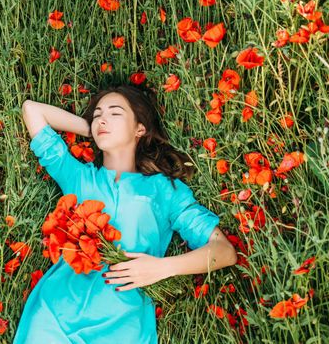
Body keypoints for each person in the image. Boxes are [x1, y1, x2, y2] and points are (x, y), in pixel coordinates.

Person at [13, 84, 238, 344]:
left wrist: (163, 268)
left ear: (139, 128)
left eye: (115, 113)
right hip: (55, 317)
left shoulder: (165, 190)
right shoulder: (79, 177)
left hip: (124, 326)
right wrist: (92, 129)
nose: (103, 119)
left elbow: (224, 251)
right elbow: (32, 110)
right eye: (97, 114)